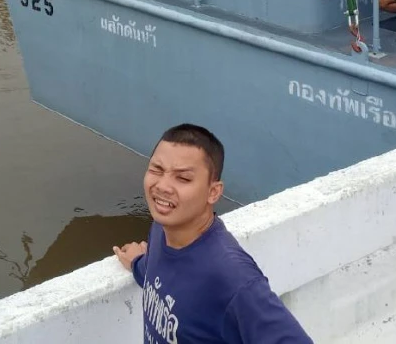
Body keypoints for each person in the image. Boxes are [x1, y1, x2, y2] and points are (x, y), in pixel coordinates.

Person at [113, 124, 314, 344]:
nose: (163, 186)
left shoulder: (232, 277)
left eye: (183, 178)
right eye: (156, 170)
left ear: (213, 192)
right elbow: (162, 278)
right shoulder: (162, 229)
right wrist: (137, 263)